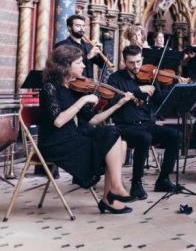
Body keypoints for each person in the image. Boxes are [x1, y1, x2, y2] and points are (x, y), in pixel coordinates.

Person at [39, 45, 134, 214]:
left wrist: (118, 105)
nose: (84, 65)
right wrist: (83, 101)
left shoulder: (74, 88)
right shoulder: (49, 87)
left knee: (116, 136)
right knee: (111, 139)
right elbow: (58, 122)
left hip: (73, 136)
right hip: (55, 143)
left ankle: (110, 195)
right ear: (65, 66)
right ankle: (112, 193)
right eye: (79, 62)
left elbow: (93, 120)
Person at [107, 45, 181, 200]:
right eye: (131, 63)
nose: (136, 66)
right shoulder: (115, 79)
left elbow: (160, 100)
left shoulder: (149, 77)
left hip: (147, 124)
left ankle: (163, 180)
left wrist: (176, 87)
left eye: (138, 62)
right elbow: (113, 101)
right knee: (144, 138)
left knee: (175, 135)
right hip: (125, 126)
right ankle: (136, 183)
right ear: (124, 61)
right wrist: (139, 90)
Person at [54, 14, 105, 79]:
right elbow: (61, 68)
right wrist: (88, 57)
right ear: (69, 27)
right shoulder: (62, 45)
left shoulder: (89, 46)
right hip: (71, 85)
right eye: (78, 26)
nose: (81, 28)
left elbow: (102, 65)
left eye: (83, 26)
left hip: (87, 85)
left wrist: (101, 52)